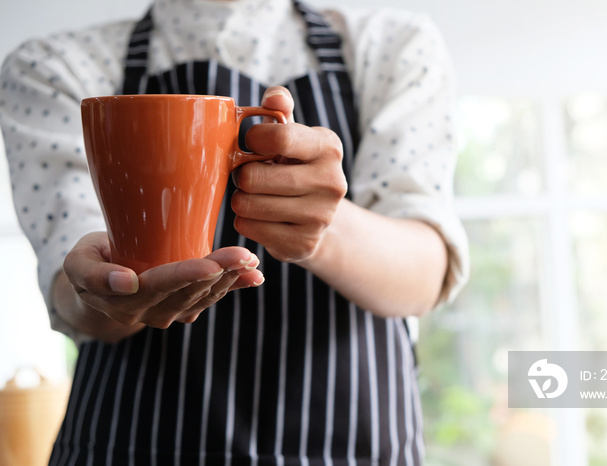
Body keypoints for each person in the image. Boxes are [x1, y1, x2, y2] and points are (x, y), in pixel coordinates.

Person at [0, 0, 469, 464]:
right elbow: (70, 276)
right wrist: (106, 293)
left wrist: (324, 228)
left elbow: (426, 272)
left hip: (350, 446)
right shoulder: (52, 66)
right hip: (133, 443)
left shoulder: (394, 46)